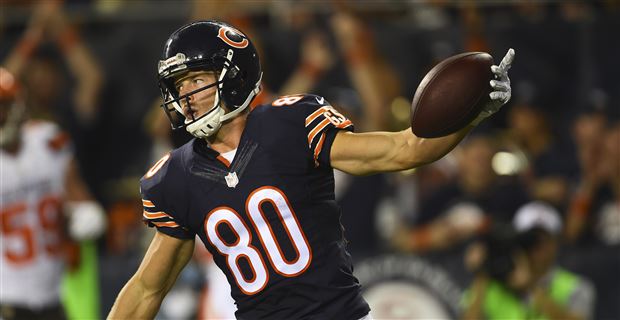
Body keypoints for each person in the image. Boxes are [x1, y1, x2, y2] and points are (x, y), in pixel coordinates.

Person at [108, 20, 514, 319]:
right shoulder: (175, 176)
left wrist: (472, 114)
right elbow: (147, 288)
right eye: (178, 86)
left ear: (233, 77)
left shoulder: (290, 125)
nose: (185, 96)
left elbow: (404, 150)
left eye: (196, 79)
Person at [0, 67, 106, 320]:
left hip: (57, 291)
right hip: (7, 299)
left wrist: (82, 213)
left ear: (17, 105)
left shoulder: (47, 140)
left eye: (2, 106)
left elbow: (78, 197)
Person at [462, 201, 595, 320]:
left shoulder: (576, 288)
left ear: (557, 244)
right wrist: (482, 272)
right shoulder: (493, 281)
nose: (539, 247)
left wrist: (530, 287)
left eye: (546, 239)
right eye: (531, 240)